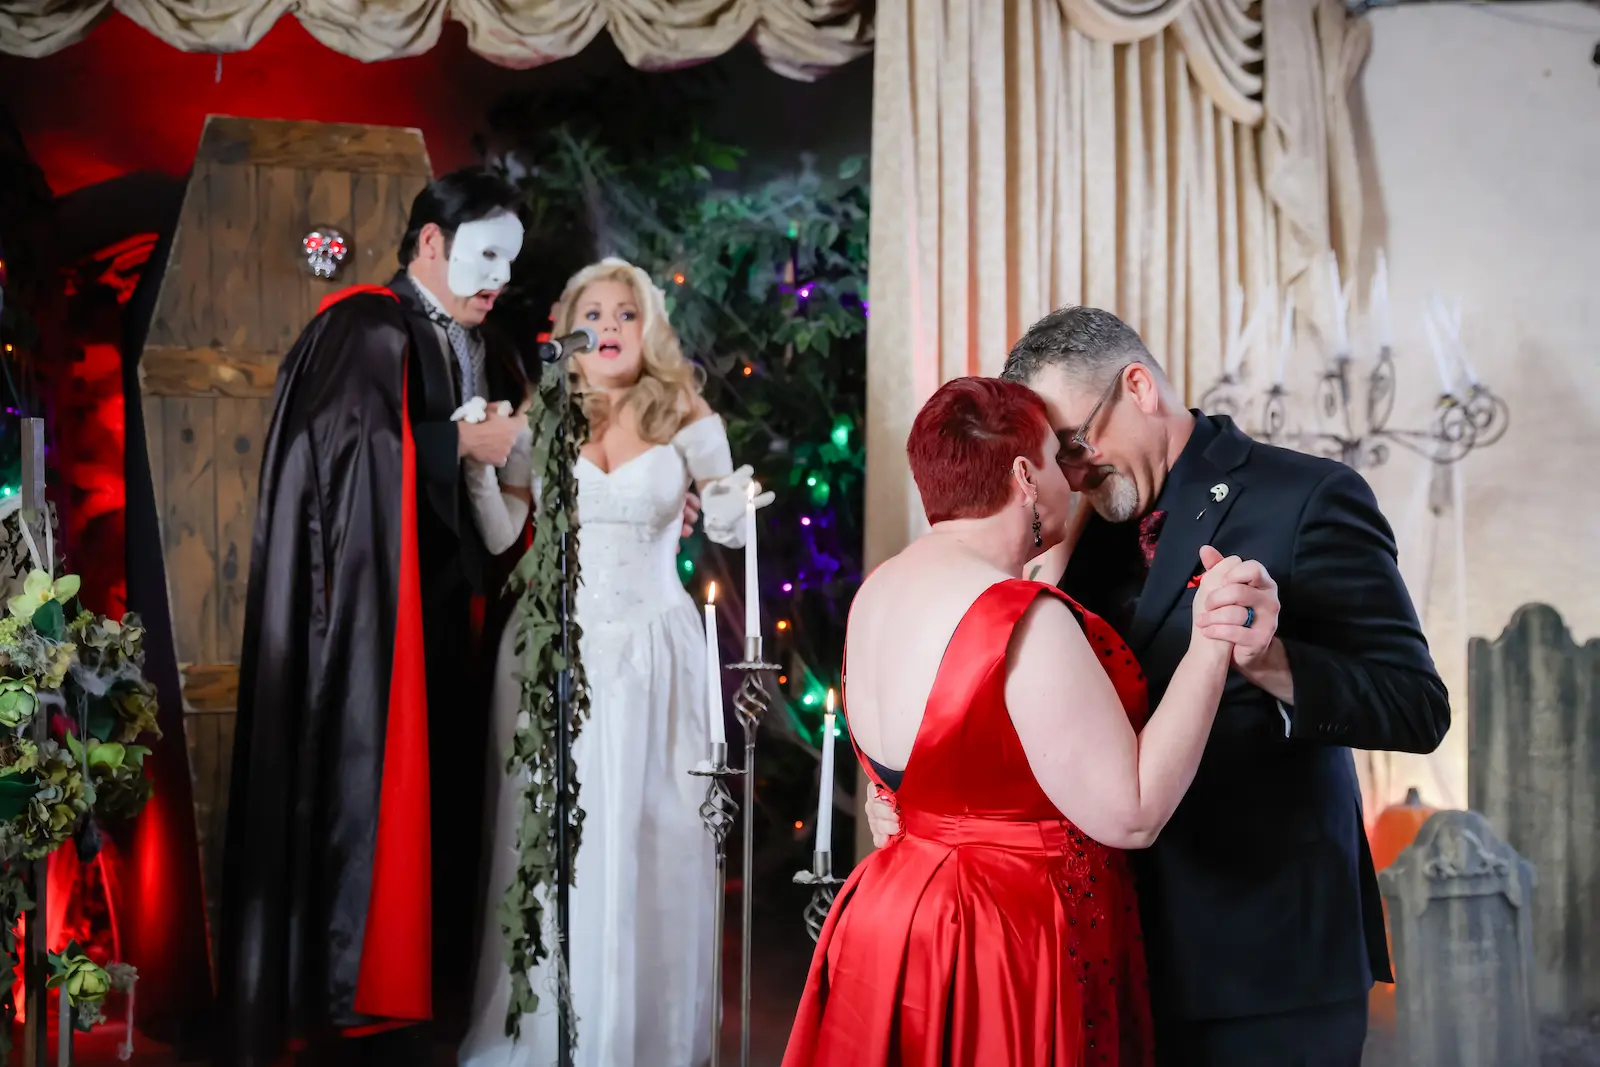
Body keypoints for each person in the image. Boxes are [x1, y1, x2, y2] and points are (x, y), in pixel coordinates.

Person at [866, 307, 1451, 1066]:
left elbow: (1417, 704)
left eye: (1076, 442)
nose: (1071, 473)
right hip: (1110, 957)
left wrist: (1269, 661)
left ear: (1137, 386)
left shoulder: (1309, 496)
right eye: (1056, 455)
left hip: (1269, 966)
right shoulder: (1073, 528)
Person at [784, 375, 1271, 1067]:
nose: (1072, 475)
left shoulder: (879, 591)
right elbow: (1131, 813)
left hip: (891, 922)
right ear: (1022, 474)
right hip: (997, 941)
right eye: (1055, 456)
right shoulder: (1025, 620)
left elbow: (936, 762)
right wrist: (1212, 641)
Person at [216, 168, 534, 1067]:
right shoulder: (363, 325)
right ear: (429, 244)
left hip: (457, 622)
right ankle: (352, 998)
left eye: (509, 264)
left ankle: (424, 1000)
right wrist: (454, 442)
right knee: (372, 798)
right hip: (370, 627)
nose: (496, 279)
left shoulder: (487, 341)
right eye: (482, 257)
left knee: (450, 804)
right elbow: (336, 463)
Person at [460, 257, 771, 1067]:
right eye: (591, 312)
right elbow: (503, 535)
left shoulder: (685, 411)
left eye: (624, 313)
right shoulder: (545, 414)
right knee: (554, 841)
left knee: (656, 834)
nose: (607, 326)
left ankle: (644, 1036)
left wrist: (734, 502)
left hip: (657, 653)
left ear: (648, 327)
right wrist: (479, 470)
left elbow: (732, 527)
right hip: (554, 653)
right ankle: (549, 1030)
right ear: (569, 328)